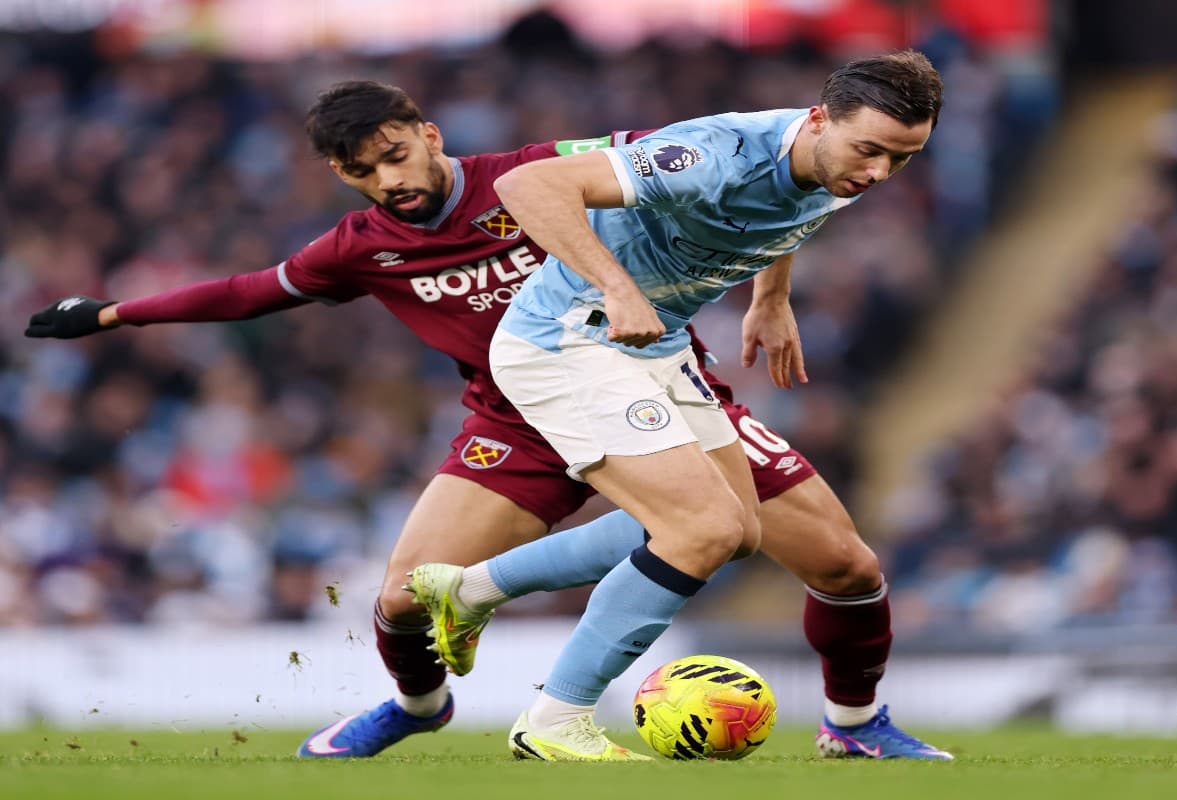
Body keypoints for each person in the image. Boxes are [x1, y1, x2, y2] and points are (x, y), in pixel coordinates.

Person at [25, 75, 939, 761]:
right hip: (521, 410)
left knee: (839, 561)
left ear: (430, 136)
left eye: (395, 155)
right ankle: (424, 706)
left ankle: (854, 724)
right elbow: (251, 292)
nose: (386, 181)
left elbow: (751, 189)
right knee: (398, 600)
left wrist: (765, 295)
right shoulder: (365, 246)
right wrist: (112, 314)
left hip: (649, 372)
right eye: (361, 172)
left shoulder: (540, 171)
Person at [411, 50, 952, 761]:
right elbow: (529, 184)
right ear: (818, 120)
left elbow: (791, 206)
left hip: (656, 347)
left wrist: (772, 296)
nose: (880, 172)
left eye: (902, 159)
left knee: (738, 531)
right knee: (698, 530)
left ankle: (473, 589)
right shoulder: (708, 156)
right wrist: (614, 283)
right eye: (872, 151)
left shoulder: (837, 160)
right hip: (569, 340)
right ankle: (554, 719)